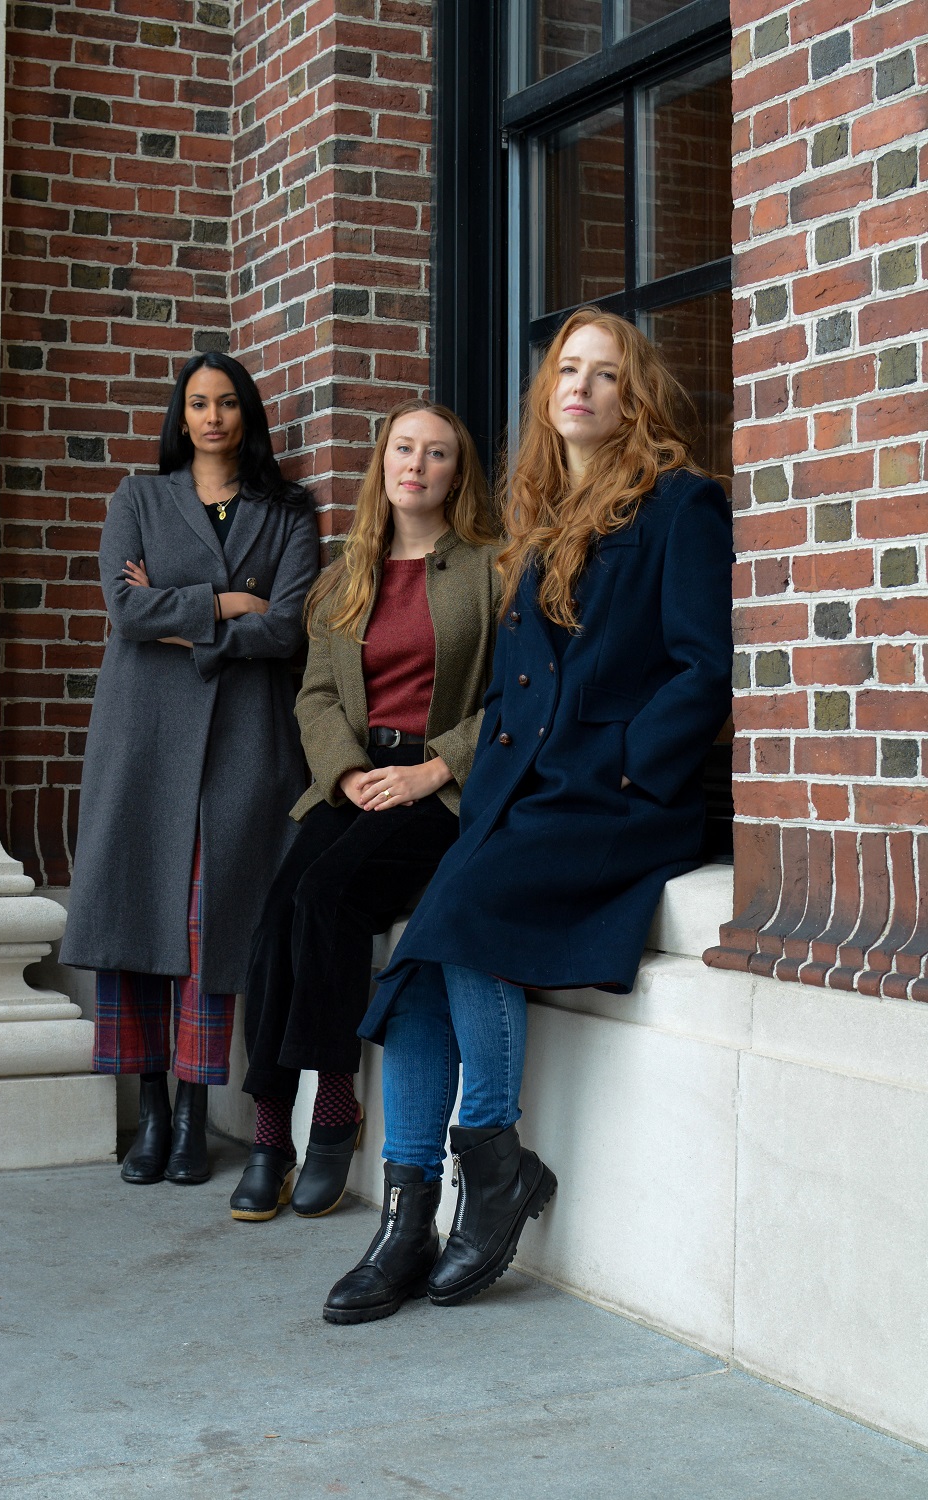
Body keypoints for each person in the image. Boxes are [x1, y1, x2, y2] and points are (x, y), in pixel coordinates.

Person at [323, 309, 734, 1323]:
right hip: (528, 798)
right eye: (566, 371)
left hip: (620, 803)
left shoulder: (682, 505)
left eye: (603, 374)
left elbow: (702, 665)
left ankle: (493, 1169)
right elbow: (513, 690)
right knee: (417, 963)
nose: (580, 389)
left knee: (454, 929)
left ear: (632, 397)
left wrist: (636, 771)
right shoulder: (542, 520)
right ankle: (408, 1210)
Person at [228, 400, 501, 1226]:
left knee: (329, 894)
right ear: (383, 464)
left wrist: (433, 770)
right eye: (404, 450)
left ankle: (334, 1109)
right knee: (275, 914)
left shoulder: (493, 570)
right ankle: (271, 1131)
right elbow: (314, 694)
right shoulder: (346, 574)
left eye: (439, 454)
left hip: (434, 789)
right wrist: (344, 770)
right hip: (353, 777)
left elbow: (509, 700)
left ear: (459, 473)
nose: (417, 465)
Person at [60, 352, 319, 1187]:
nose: (212, 417)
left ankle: (196, 1117)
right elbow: (126, 611)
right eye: (197, 403)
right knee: (138, 916)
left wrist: (188, 618)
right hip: (142, 738)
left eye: (227, 403)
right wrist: (224, 603)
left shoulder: (287, 511)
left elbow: (286, 630)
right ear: (181, 416)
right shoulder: (139, 497)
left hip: (244, 740)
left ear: (248, 414)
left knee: (212, 925)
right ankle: (153, 1115)